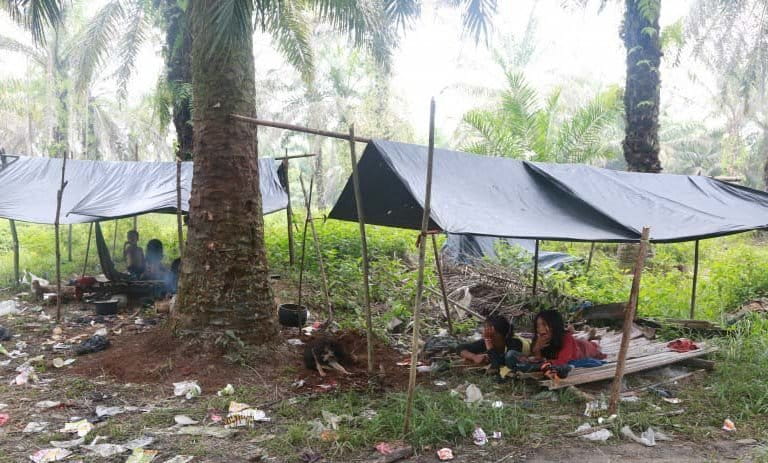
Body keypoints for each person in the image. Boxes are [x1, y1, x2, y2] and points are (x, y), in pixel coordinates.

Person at [526, 309, 606, 379]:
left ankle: (593, 339)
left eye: (544, 324)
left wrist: (544, 363)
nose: (540, 329)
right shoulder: (539, 338)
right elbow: (537, 357)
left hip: (584, 348)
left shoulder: (566, 338)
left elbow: (562, 360)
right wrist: (537, 348)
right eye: (538, 325)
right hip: (576, 343)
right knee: (580, 340)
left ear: (554, 325)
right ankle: (588, 336)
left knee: (593, 345)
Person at [457, 315, 531, 371]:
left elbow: (497, 365)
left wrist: (488, 344)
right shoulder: (488, 340)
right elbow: (460, 348)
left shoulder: (515, 343)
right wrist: (474, 357)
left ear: (497, 333)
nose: (484, 331)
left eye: (486, 328)